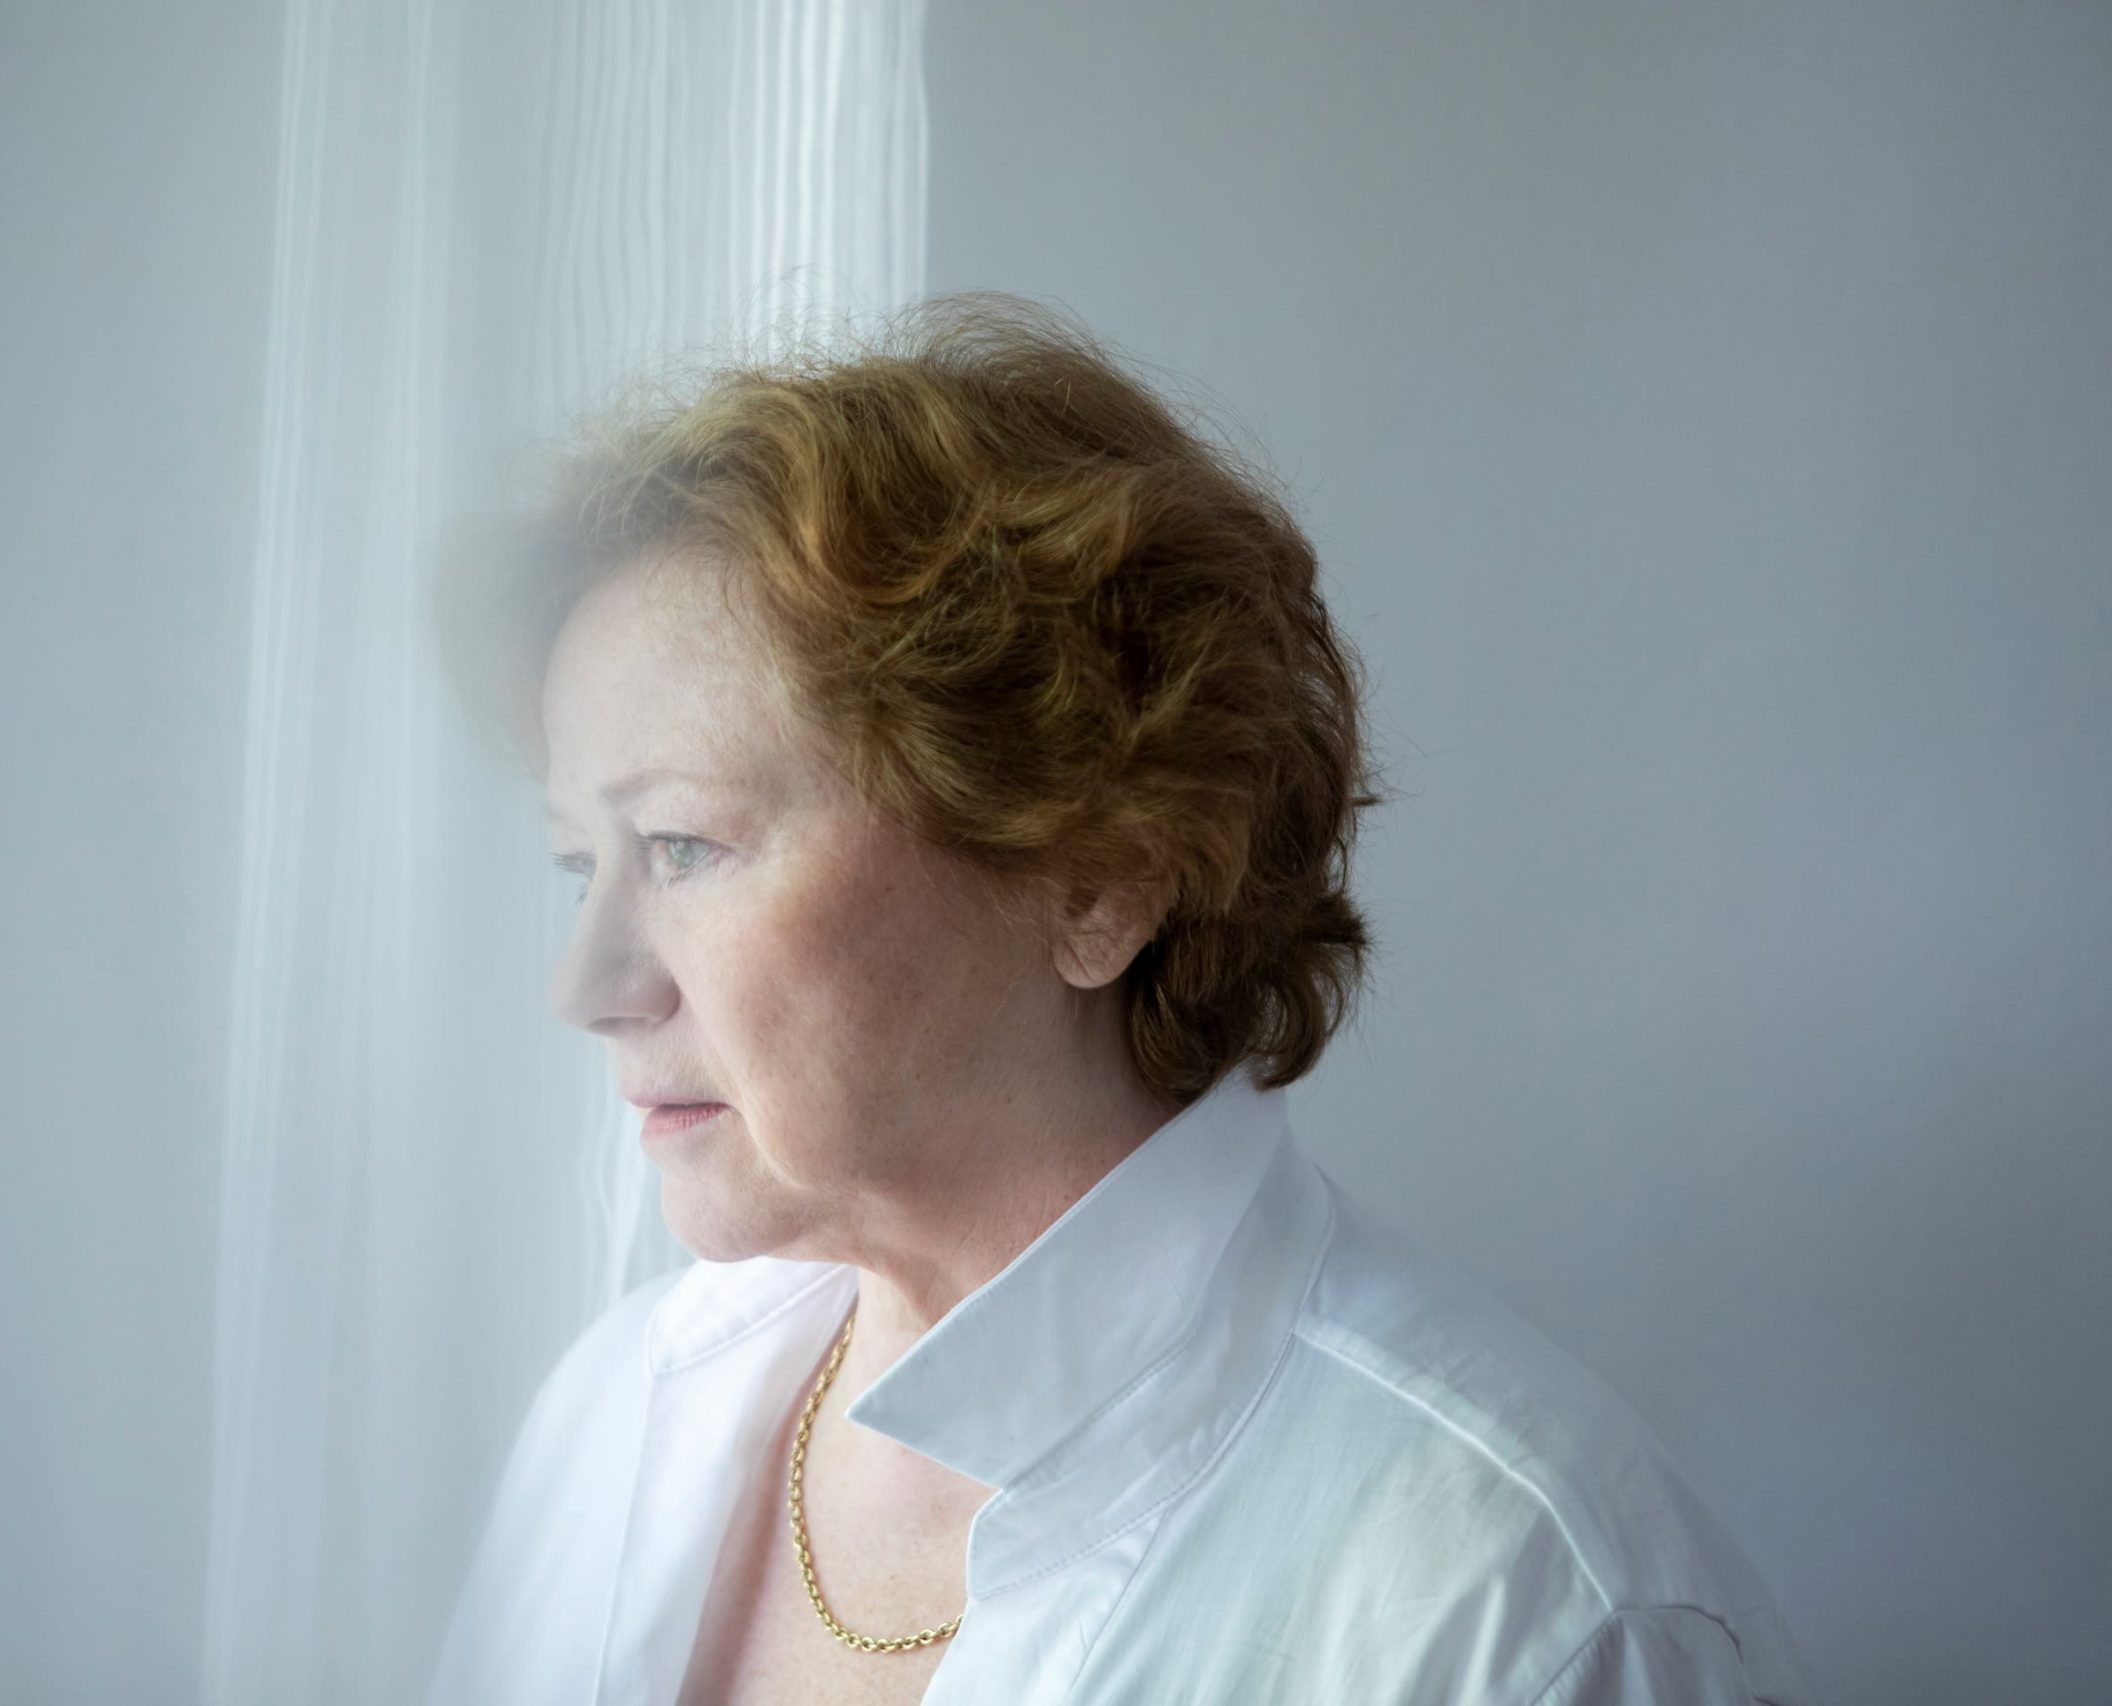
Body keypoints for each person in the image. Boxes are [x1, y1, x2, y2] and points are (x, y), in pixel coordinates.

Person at [421, 295, 1815, 1705]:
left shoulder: (1523, 1608)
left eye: (682, 845)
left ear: (1101, 876)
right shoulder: (617, 1413)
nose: (586, 986)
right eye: (579, 862)